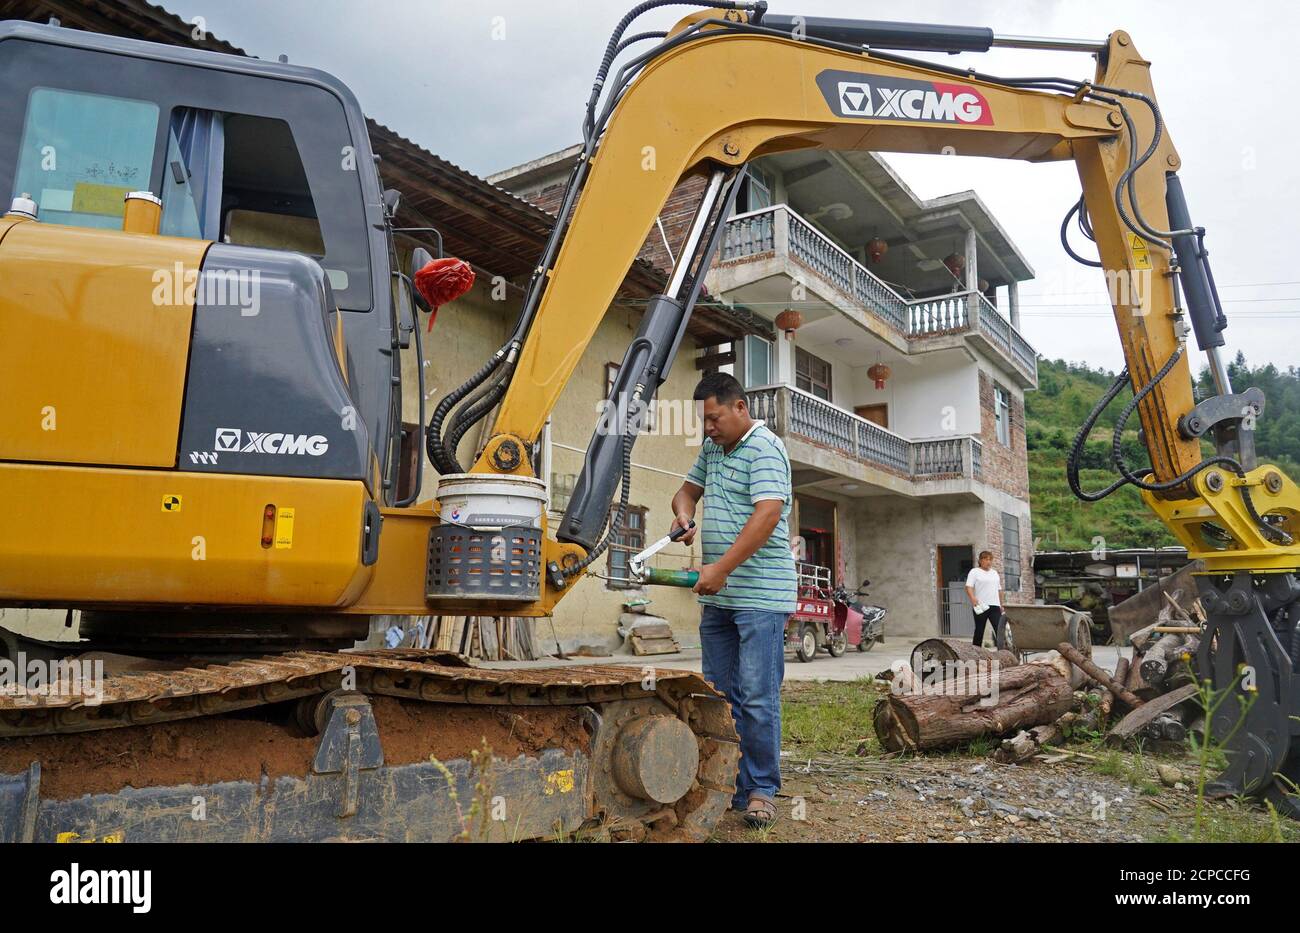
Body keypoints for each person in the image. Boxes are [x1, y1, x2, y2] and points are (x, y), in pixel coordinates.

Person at [670, 372, 796, 828]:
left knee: (757, 695)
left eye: (714, 418)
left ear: (740, 408)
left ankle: (761, 788)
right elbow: (686, 491)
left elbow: (768, 514)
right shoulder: (713, 450)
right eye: (703, 420)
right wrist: (685, 515)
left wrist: (721, 569)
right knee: (717, 694)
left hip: (760, 595)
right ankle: (727, 783)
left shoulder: (764, 448)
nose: (707, 427)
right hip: (719, 598)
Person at [966, 549, 1004, 648]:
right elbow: (968, 587)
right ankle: (975, 652)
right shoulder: (974, 572)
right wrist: (973, 598)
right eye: (986, 559)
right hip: (981, 606)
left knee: (999, 630)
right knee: (979, 630)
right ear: (980, 561)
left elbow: (999, 590)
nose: (989, 562)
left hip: (995, 606)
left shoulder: (994, 573)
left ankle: (1003, 652)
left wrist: (1001, 604)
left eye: (990, 559)